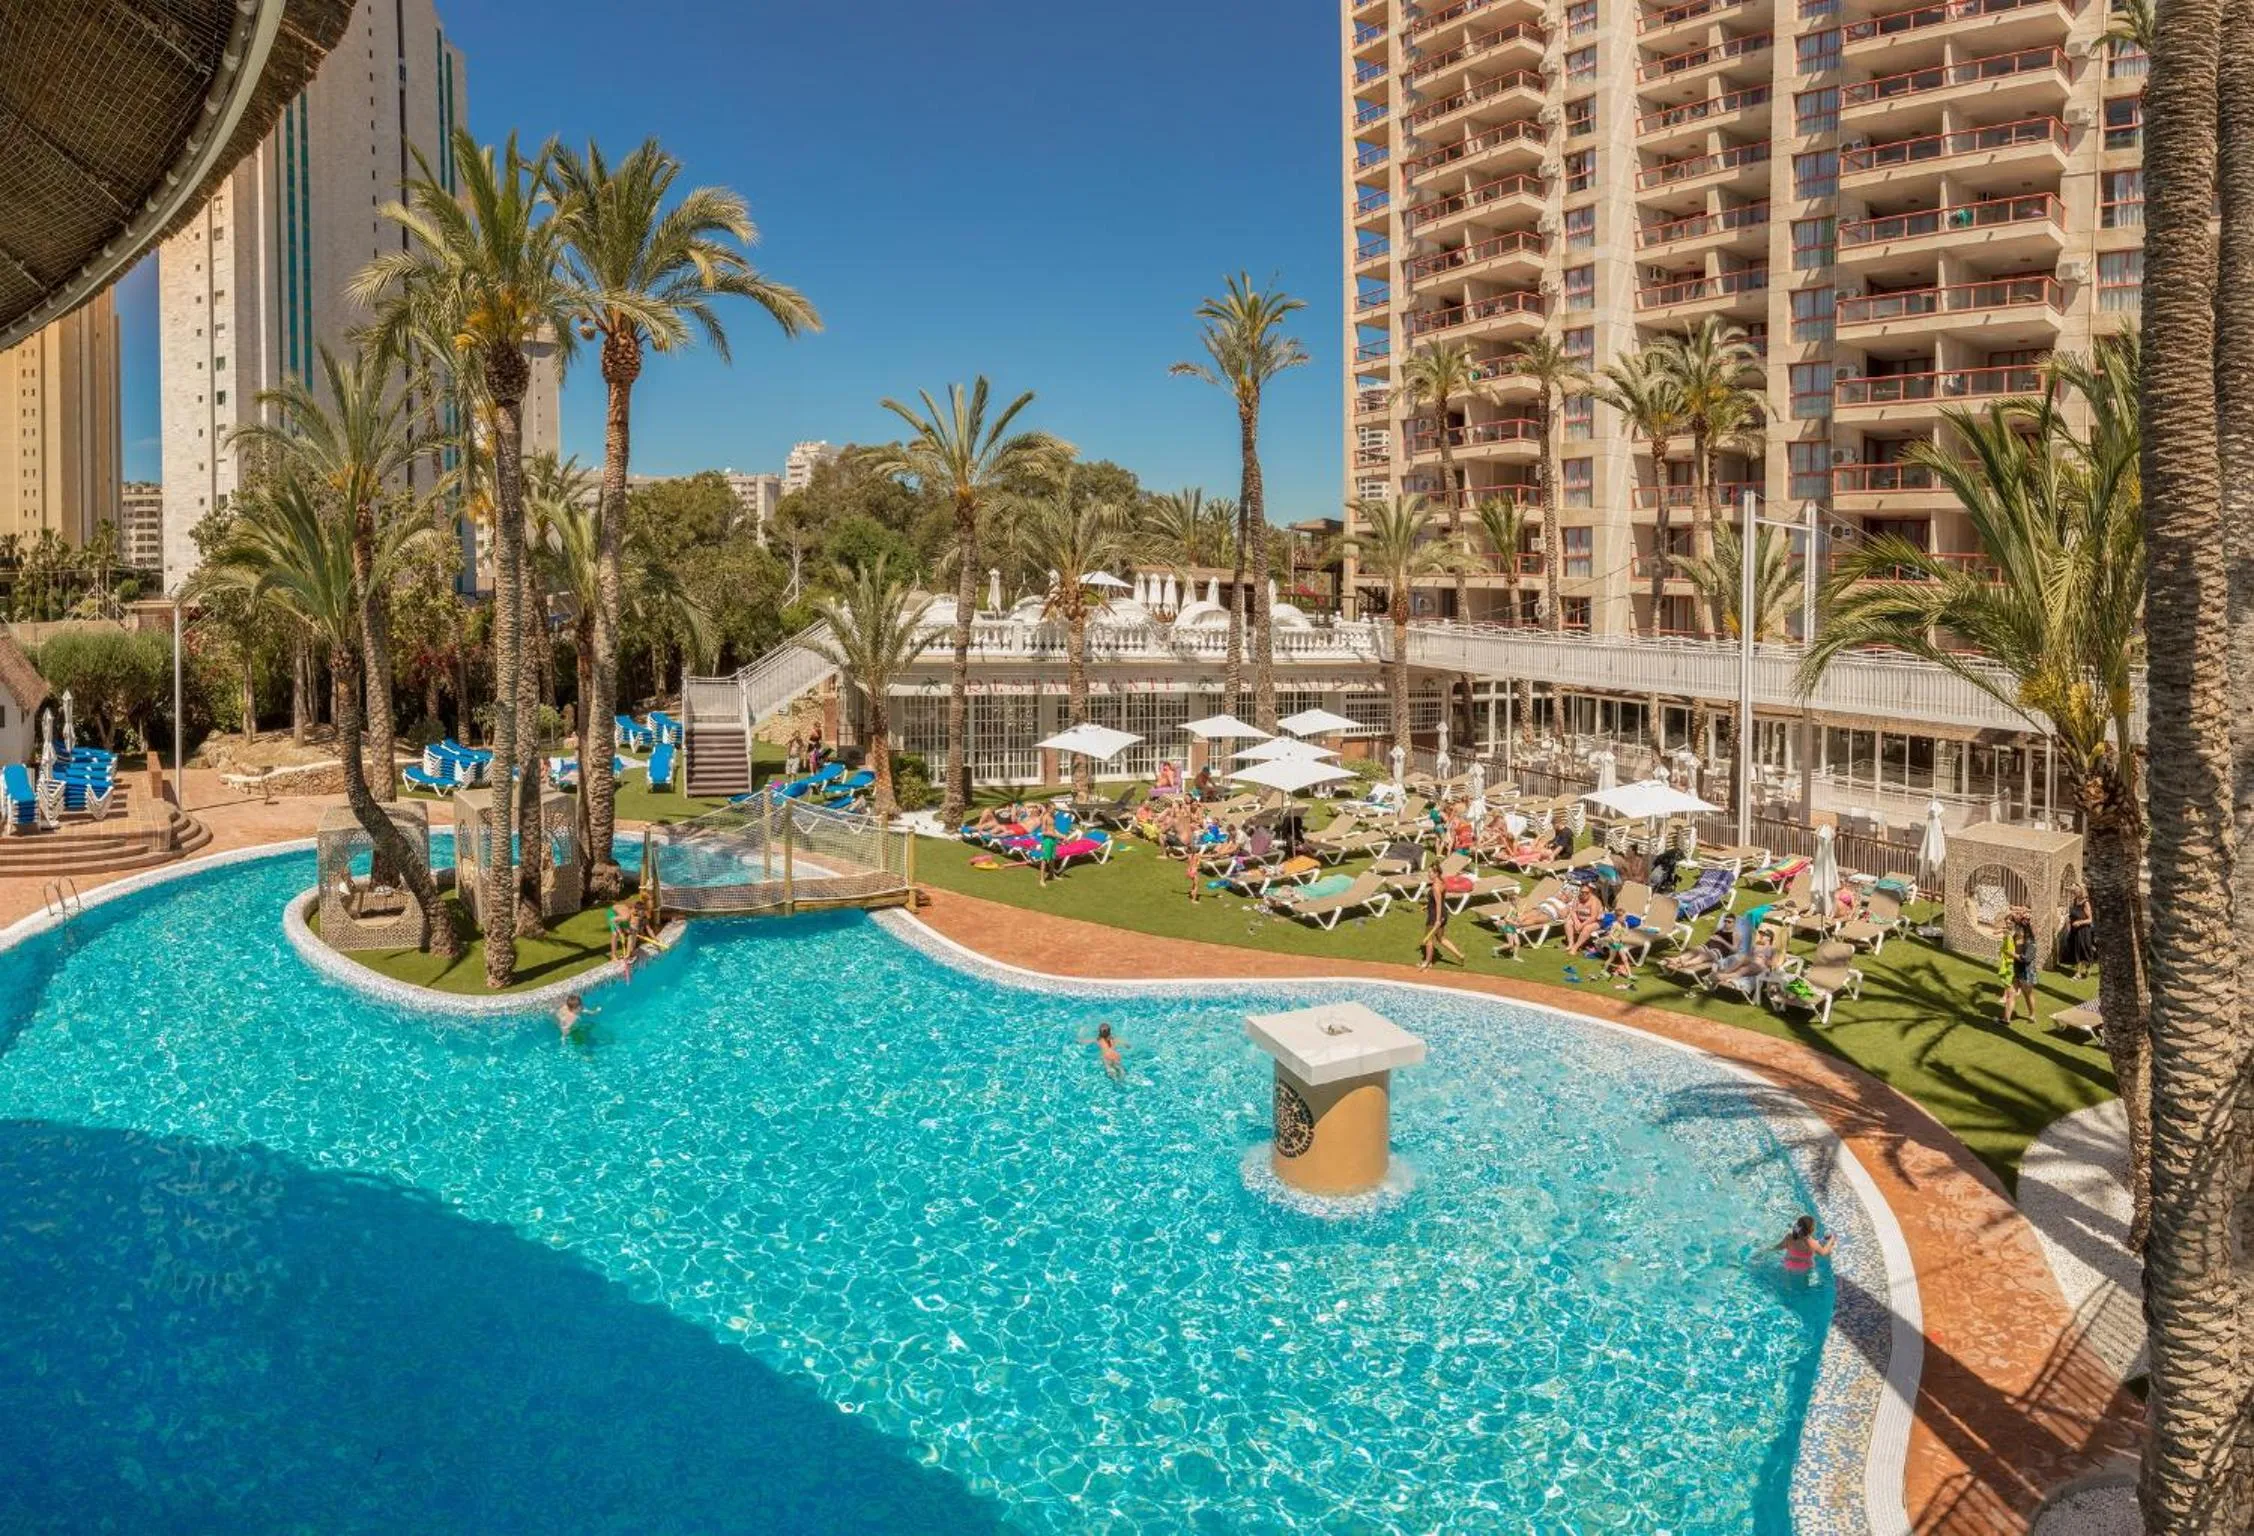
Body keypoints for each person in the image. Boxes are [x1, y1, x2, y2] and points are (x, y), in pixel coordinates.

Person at [1999, 909, 2040, 1026]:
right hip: (2016, 969)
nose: (2017, 930)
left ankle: (2032, 1015)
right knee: (2011, 993)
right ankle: (2006, 1019)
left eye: (2019, 929)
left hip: (2027, 972)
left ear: (2025, 930)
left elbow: (2026, 959)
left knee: (2028, 995)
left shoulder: (2030, 942)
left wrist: (2011, 954)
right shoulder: (2015, 938)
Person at [1419, 871, 1465, 970]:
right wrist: (1428, 906)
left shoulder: (1435, 887)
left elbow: (1438, 903)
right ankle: (1459, 955)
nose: (1429, 874)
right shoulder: (1441, 883)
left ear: (1436, 873)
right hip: (1443, 914)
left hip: (1435, 916)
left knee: (1429, 940)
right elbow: (1439, 900)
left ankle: (1427, 963)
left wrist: (1437, 920)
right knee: (1441, 938)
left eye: (1431, 872)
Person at [1774, 1215, 1835, 1284]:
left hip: (1788, 1265)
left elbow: (1779, 1247)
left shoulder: (1789, 1237)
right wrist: (1831, 1240)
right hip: (1804, 1268)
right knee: (1805, 1284)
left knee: (1787, 1283)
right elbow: (1824, 1253)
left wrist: (1769, 1249)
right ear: (1812, 1230)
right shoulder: (1811, 1242)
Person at [2058, 885, 2097, 978]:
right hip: (2075, 930)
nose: (2074, 892)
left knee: (2084, 950)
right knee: (2076, 951)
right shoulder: (2075, 901)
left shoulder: (2086, 903)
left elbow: (2090, 920)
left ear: (2081, 891)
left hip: (2083, 931)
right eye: (2074, 891)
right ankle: (2078, 973)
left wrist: (2080, 922)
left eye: (2076, 890)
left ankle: (2088, 966)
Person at [1562, 883, 1607, 954]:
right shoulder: (1578, 898)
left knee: (1587, 928)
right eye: (1582, 892)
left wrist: (1581, 925)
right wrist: (1577, 922)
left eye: (1586, 892)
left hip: (1596, 922)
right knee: (1568, 922)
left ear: (1591, 892)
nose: (1583, 894)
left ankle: (1575, 948)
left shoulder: (1594, 901)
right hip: (1581, 920)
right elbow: (1573, 911)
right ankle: (1570, 944)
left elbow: (1593, 917)